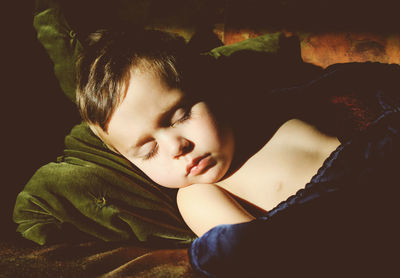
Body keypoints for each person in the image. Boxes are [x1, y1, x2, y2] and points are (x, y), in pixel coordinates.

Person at [76, 28, 400, 276]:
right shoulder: (199, 195)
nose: (176, 147)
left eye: (181, 116)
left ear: (210, 92)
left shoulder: (269, 113)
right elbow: (267, 258)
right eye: (148, 151)